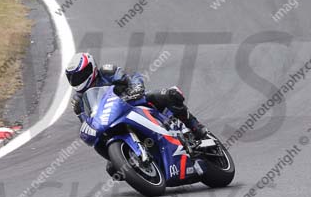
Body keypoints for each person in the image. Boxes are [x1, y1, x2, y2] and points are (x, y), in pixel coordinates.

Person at [66, 52, 207, 146]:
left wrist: (136, 88)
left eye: (79, 75)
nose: (77, 80)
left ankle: (195, 126)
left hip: (132, 101)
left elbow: (133, 77)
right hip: (109, 120)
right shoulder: (78, 102)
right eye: (72, 77)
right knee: (110, 165)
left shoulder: (107, 72)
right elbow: (87, 122)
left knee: (169, 95)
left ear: (91, 68)